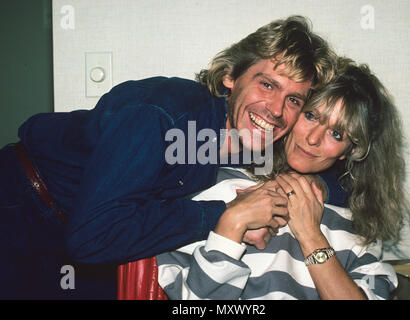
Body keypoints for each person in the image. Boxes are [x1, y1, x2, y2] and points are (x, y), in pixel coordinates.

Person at [0, 16, 344, 299]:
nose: (276, 110)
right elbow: (92, 239)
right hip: (23, 207)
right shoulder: (163, 116)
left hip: (83, 238)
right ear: (230, 77)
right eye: (267, 85)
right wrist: (224, 215)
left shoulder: (252, 137)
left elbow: (340, 170)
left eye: (294, 100)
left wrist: (313, 186)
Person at [156, 58, 410, 300]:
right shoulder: (216, 185)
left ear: (352, 150)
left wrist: (310, 236)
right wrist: (233, 222)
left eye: (336, 134)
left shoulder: (356, 224)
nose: (313, 139)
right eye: (310, 116)